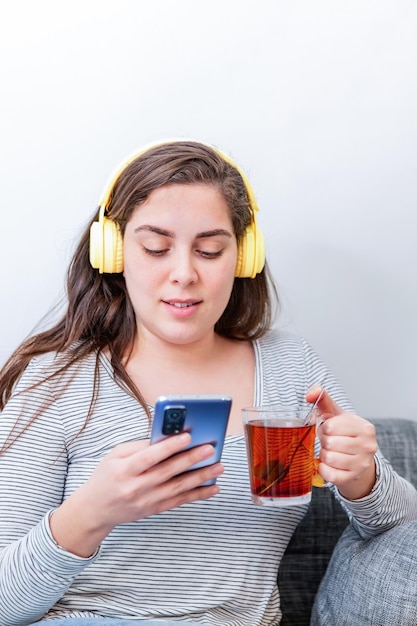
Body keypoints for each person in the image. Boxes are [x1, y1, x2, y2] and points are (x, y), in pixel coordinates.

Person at [0, 139, 416, 626]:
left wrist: (363, 478)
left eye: (210, 250)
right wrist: (91, 512)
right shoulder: (57, 380)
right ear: (113, 253)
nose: (184, 274)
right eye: (156, 248)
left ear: (243, 258)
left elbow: (402, 530)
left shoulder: (291, 368)